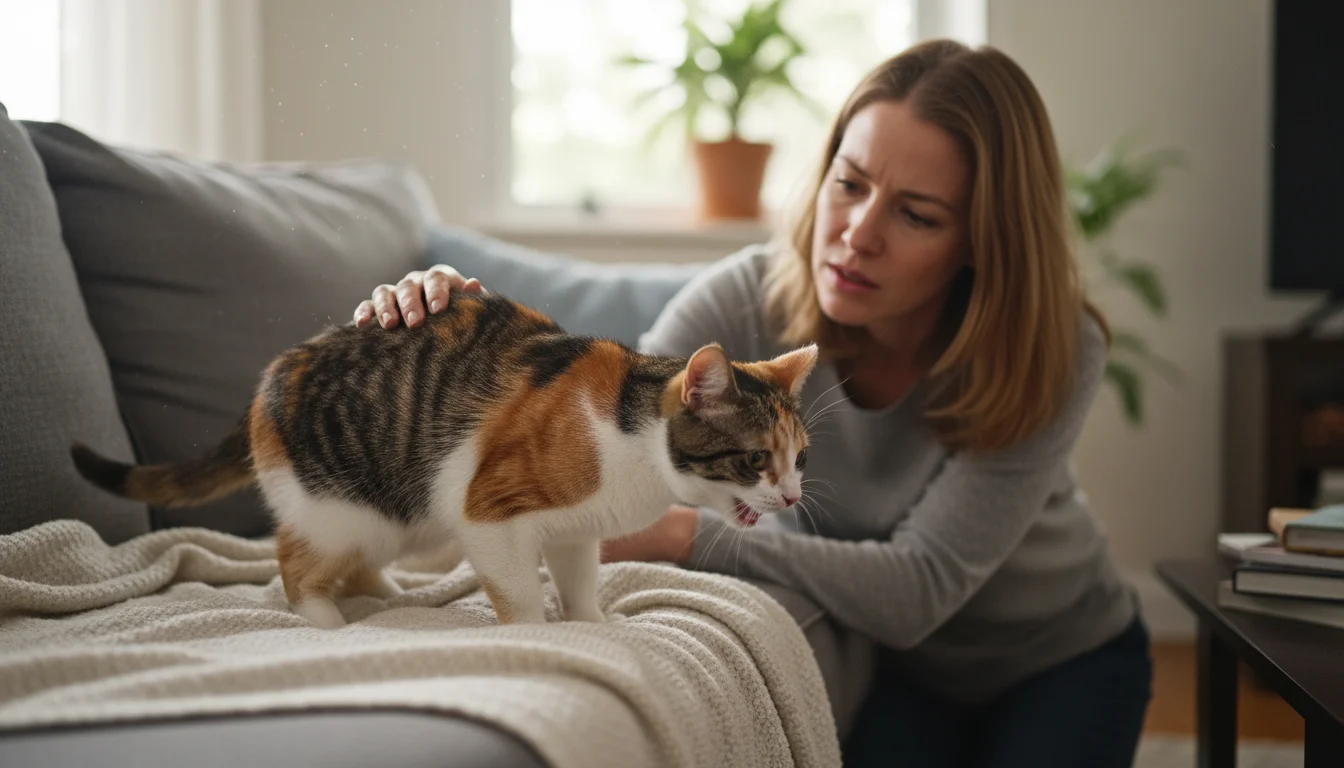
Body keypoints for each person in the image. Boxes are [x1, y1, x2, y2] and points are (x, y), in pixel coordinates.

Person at [353, 38, 1152, 768]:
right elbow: (610, 419)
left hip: (1059, 658)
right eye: (851, 183)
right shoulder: (750, 297)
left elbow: (919, 589)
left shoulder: (1055, 343)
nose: (856, 234)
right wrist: (458, 333)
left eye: (915, 214)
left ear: (984, 239)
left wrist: (683, 533)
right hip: (898, 671)